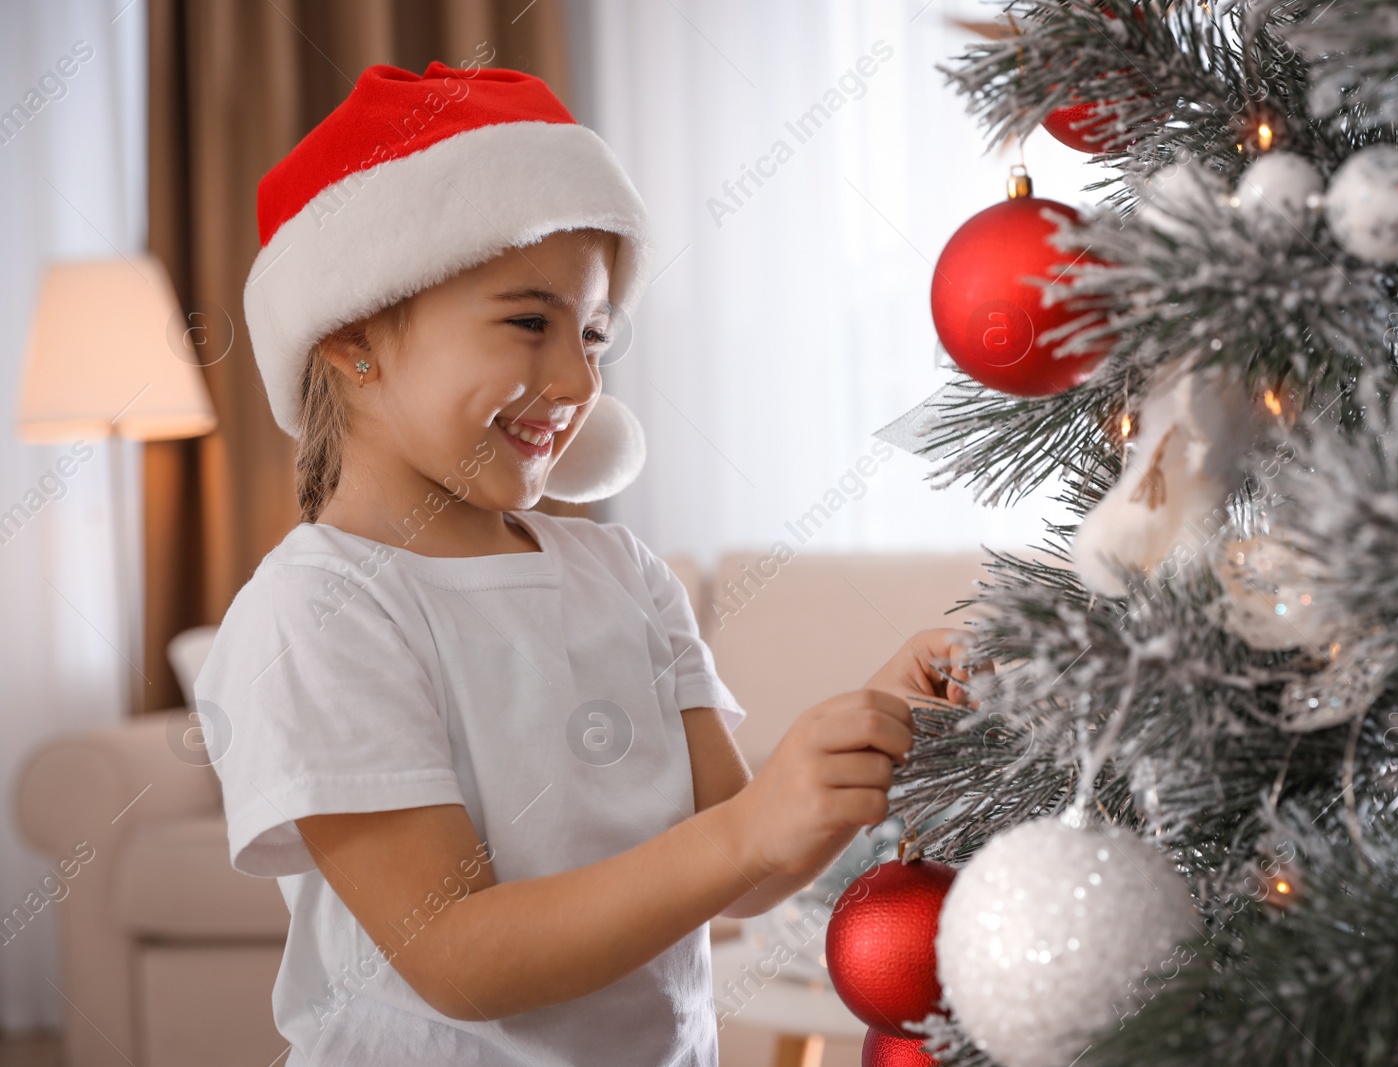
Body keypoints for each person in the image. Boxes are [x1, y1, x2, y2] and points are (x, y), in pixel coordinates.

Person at [193, 62, 986, 1066]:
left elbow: (739, 861)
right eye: (530, 321)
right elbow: (455, 954)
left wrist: (875, 715)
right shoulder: (318, 611)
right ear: (354, 333)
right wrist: (746, 834)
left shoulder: (624, 574)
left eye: (595, 334)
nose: (575, 380)